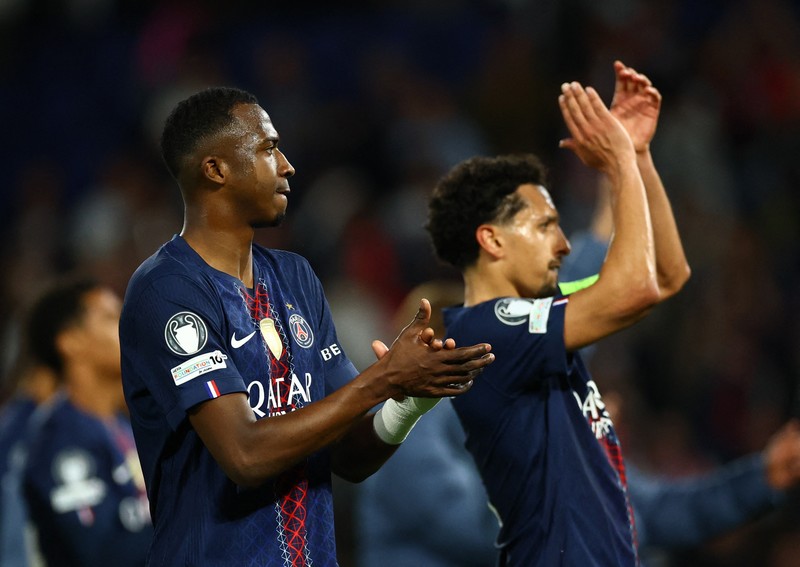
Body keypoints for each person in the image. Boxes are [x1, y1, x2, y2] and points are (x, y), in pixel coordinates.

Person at [118, 86, 494, 566]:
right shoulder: (167, 290)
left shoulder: (294, 277)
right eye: (269, 148)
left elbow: (351, 457)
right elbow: (245, 456)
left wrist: (410, 400)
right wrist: (383, 379)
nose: (287, 165)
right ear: (215, 169)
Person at [424, 60, 691, 565]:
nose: (565, 244)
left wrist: (637, 155)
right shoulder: (485, 331)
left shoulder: (538, 316)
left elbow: (664, 275)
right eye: (546, 225)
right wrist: (617, 166)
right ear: (492, 239)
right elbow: (633, 288)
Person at [20, 276, 153, 567]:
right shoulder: (59, 440)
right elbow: (102, 555)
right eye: (109, 317)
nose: (127, 325)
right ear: (71, 342)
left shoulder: (122, 424)